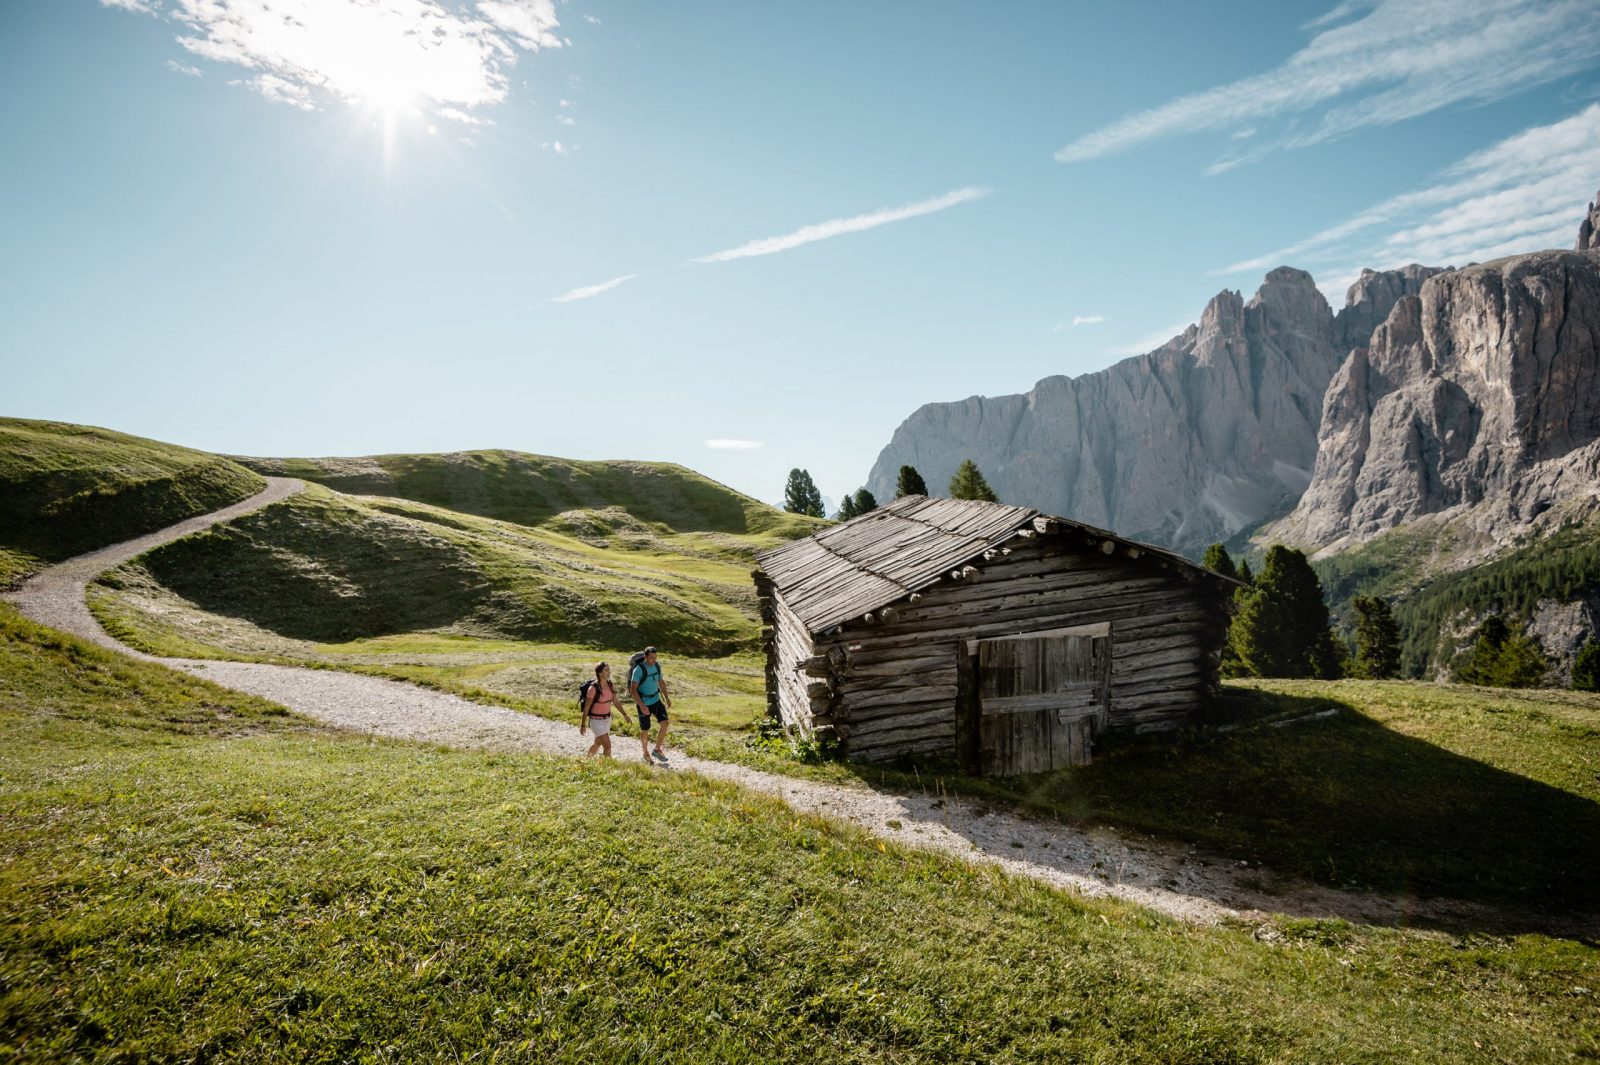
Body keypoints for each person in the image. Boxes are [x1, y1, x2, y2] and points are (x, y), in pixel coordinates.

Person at [629, 646, 672, 764]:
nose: (654, 660)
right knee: (645, 730)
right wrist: (642, 706)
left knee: (665, 723)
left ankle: (657, 749)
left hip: (656, 700)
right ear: (645, 657)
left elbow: (661, 682)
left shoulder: (657, 666)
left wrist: (667, 698)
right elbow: (633, 690)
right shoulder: (638, 669)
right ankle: (645, 753)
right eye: (651, 657)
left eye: (655, 657)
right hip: (644, 703)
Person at [580, 662, 620, 758]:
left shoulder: (610, 684)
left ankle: (587, 760)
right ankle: (606, 767)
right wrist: (582, 725)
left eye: (608, 669)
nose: (609, 672)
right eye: (606, 670)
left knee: (598, 742)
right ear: (599, 673)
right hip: (596, 721)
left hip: (607, 719)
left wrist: (625, 715)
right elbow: (586, 708)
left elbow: (615, 701)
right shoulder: (593, 689)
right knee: (607, 745)